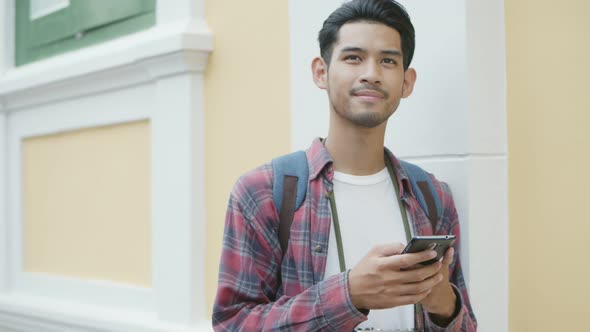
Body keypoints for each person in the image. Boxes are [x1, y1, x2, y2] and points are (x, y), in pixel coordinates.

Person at [212, 0, 477, 331]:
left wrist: (442, 302)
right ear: (321, 72)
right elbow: (232, 324)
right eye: (354, 58)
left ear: (407, 82)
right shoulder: (263, 192)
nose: (371, 73)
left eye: (387, 61)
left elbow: (465, 325)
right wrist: (350, 295)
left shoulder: (433, 196)